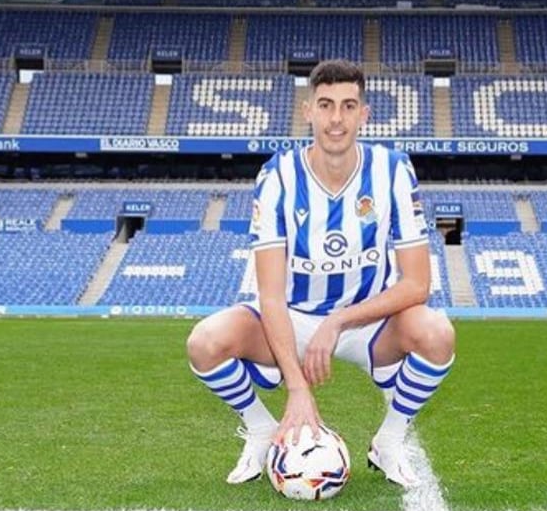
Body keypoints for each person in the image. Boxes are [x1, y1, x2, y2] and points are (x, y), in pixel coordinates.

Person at [186, 59, 456, 489]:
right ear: (308, 111)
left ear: (364, 114)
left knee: (437, 333)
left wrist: (339, 321)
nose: (336, 119)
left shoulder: (393, 170)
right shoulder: (277, 176)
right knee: (205, 342)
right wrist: (297, 389)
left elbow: (417, 284)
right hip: (291, 316)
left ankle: (389, 440)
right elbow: (270, 295)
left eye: (348, 106)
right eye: (326, 105)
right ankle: (260, 429)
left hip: (366, 321)